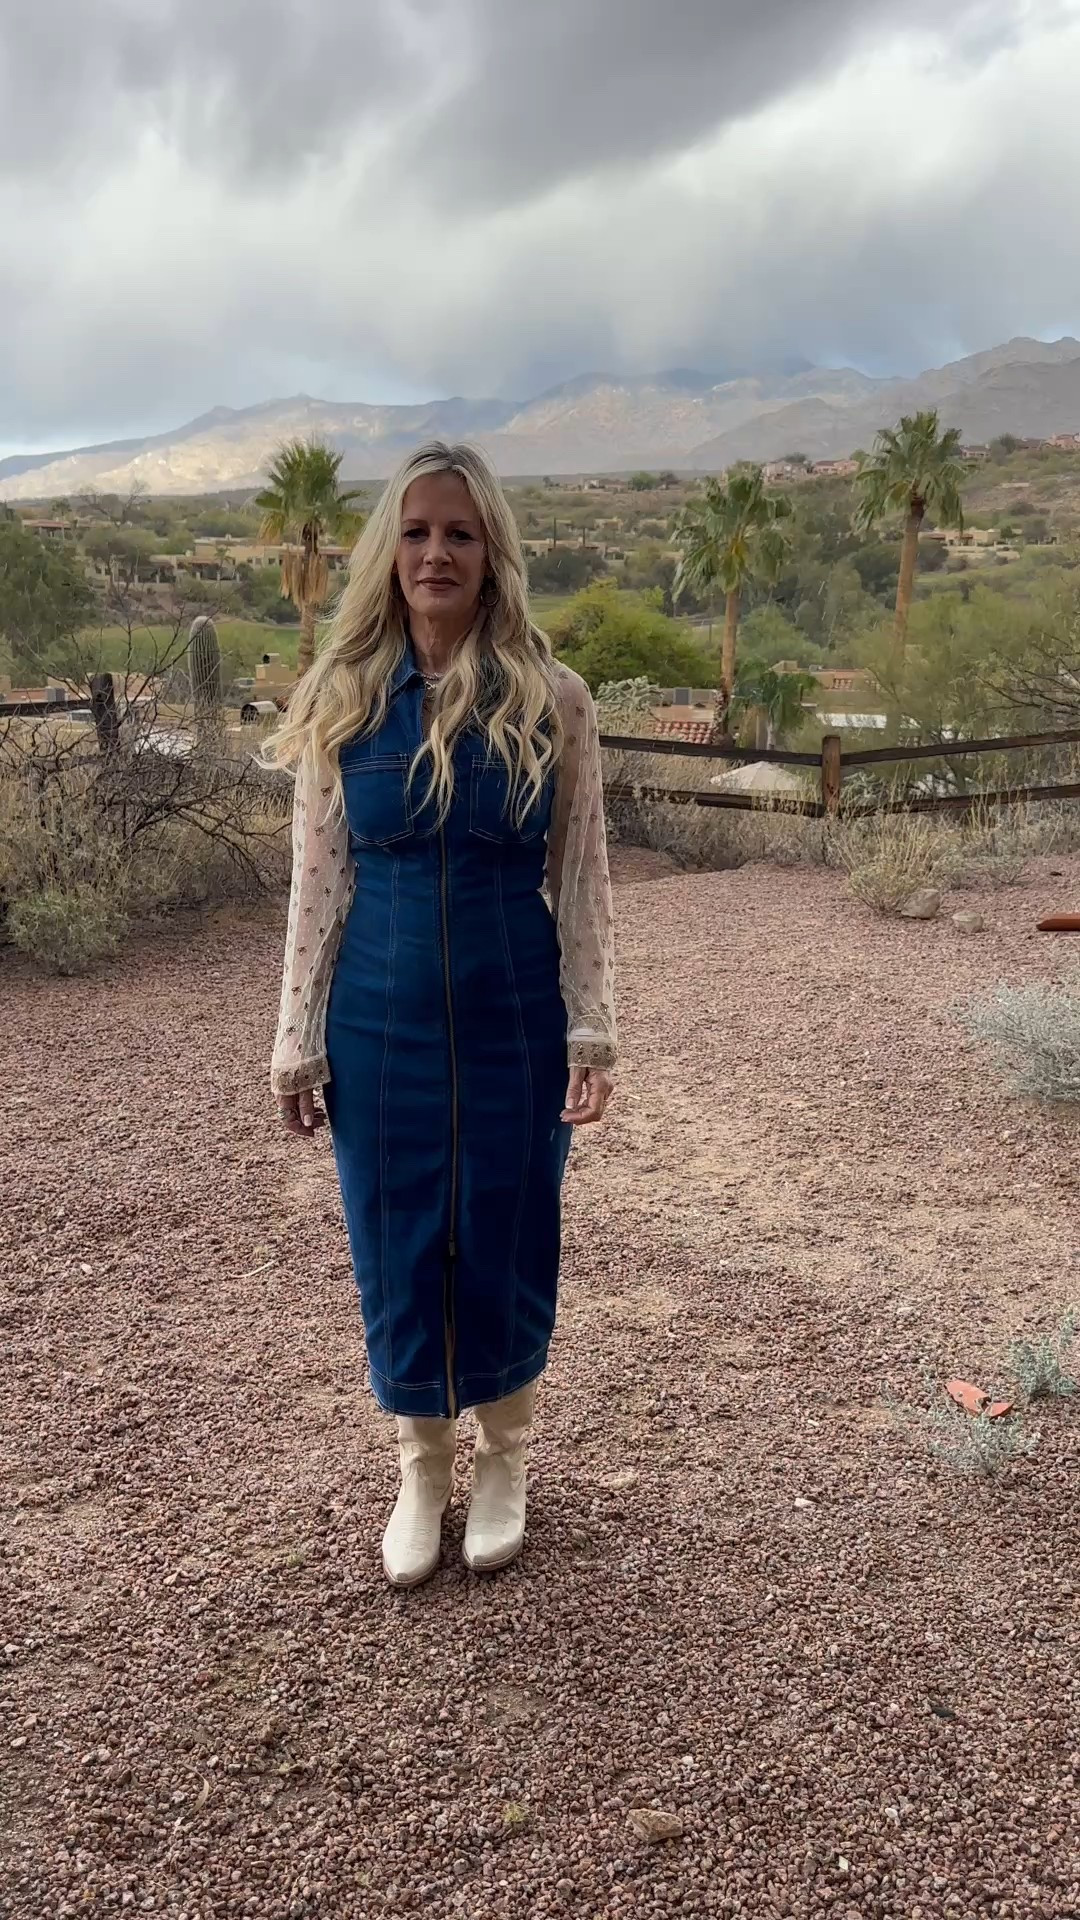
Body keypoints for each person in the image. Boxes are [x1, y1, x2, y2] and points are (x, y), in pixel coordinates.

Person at [265, 442, 617, 1588]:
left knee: (511, 1230)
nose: (436, 553)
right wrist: (296, 1037)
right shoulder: (342, 701)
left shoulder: (553, 701)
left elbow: (583, 878)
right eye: (416, 532)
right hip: (379, 1020)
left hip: (513, 1012)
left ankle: (505, 1455)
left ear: (491, 553)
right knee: (398, 1238)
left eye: (459, 533)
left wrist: (591, 1028)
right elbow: (319, 884)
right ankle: (422, 1464)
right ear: (388, 551)